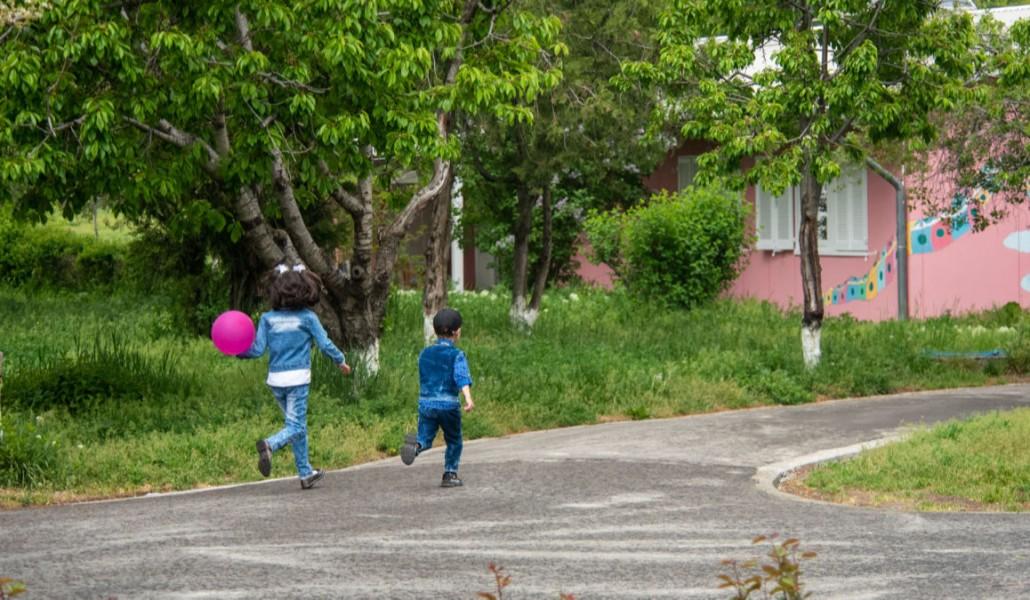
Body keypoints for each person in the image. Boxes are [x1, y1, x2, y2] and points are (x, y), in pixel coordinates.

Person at [239, 263, 351, 489]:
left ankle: (305, 473)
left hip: (276, 381)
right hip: (298, 380)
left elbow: (258, 349)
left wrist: (237, 350)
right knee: (297, 426)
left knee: (295, 425)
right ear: (304, 290)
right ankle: (270, 444)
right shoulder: (308, 318)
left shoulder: (267, 319)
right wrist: (340, 360)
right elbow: (325, 343)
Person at [400, 307, 474, 487]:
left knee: (425, 437)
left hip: (426, 403)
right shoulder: (457, 355)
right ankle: (450, 474)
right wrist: (468, 398)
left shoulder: (424, 354)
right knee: (454, 440)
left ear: (435, 330)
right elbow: (461, 377)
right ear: (456, 332)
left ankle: (416, 446)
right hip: (448, 405)